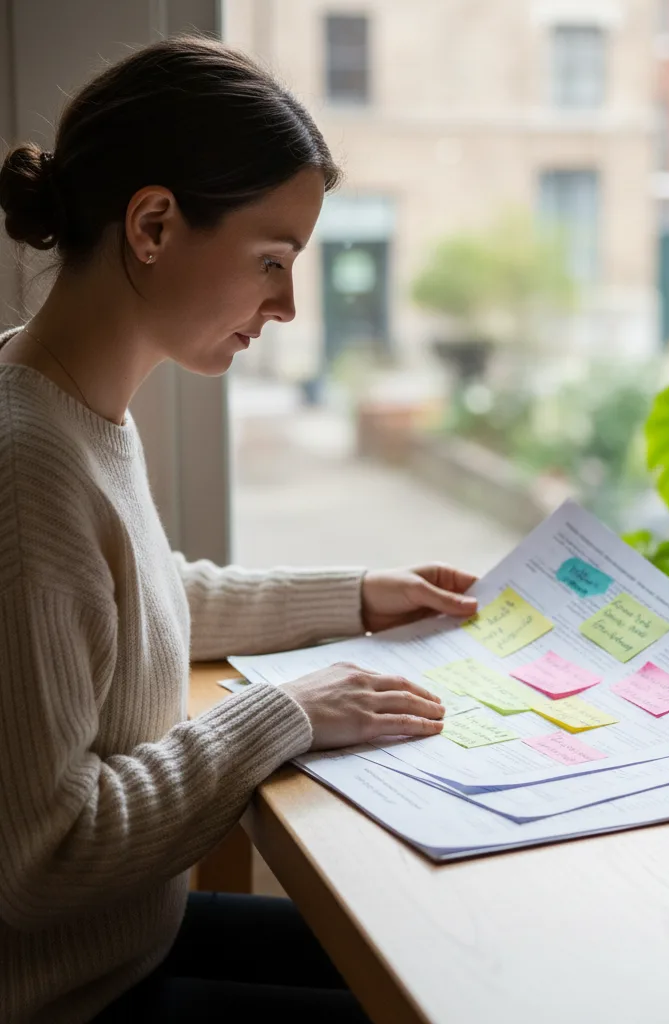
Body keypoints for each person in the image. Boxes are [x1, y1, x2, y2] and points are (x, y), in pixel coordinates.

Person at [0, 36, 478, 1024]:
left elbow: (131, 591)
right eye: (272, 260)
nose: (289, 306)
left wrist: (351, 595)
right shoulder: (28, 466)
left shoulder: (55, 398)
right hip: (70, 991)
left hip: (126, 937)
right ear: (153, 224)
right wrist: (282, 712)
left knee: (448, 960)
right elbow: (41, 860)